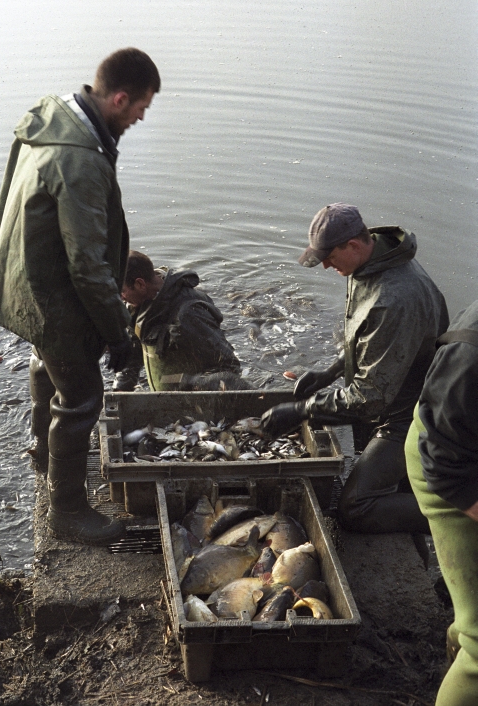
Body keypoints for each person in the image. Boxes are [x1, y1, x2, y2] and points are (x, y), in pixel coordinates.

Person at [0, 48, 161, 545]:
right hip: (51, 291)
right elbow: (88, 265)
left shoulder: (55, 116)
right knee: (82, 396)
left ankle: (43, 448)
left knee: (47, 362)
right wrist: (119, 334)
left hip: (21, 274)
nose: (142, 117)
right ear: (120, 98)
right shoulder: (81, 159)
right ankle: (68, 511)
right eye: (141, 107)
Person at [261, 202, 448, 534]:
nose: (326, 267)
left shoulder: (395, 298)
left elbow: (371, 397)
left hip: (412, 415)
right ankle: (409, 493)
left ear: (354, 244)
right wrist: (332, 371)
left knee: (354, 507)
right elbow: (367, 340)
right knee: (387, 480)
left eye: (330, 258)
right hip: (392, 392)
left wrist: (304, 410)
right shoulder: (369, 262)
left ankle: (454, 513)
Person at [405, 302, 478, 706]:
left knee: (469, 609)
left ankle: (457, 642)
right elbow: (445, 464)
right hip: (451, 471)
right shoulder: (471, 355)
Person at [114, 250, 251, 392]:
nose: (119, 297)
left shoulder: (188, 314)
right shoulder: (135, 303)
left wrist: (190, 382)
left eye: (121, 291)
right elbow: (133, 350)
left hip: (191, 401)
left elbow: (229, 368)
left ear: (140, 284)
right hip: (162, 398)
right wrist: (120, 389)